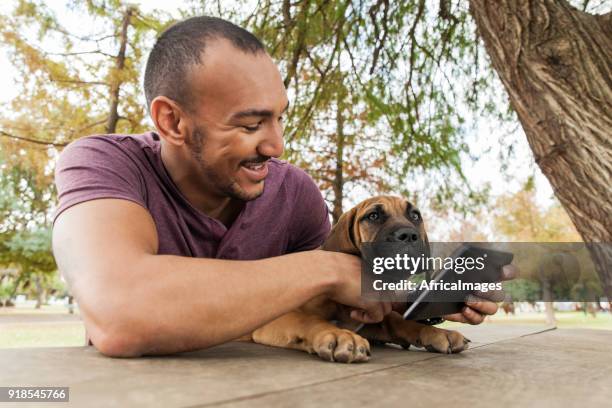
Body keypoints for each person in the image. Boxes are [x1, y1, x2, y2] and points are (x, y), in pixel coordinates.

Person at [52, 16, 511, 357]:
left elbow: (335, 312)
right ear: (171, 120)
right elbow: (120, 314)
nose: (276, 145)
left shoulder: (295, 193)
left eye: (279, 117)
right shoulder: (103, 164)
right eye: (251, 123)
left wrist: (425, 301)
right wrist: (327, 268)